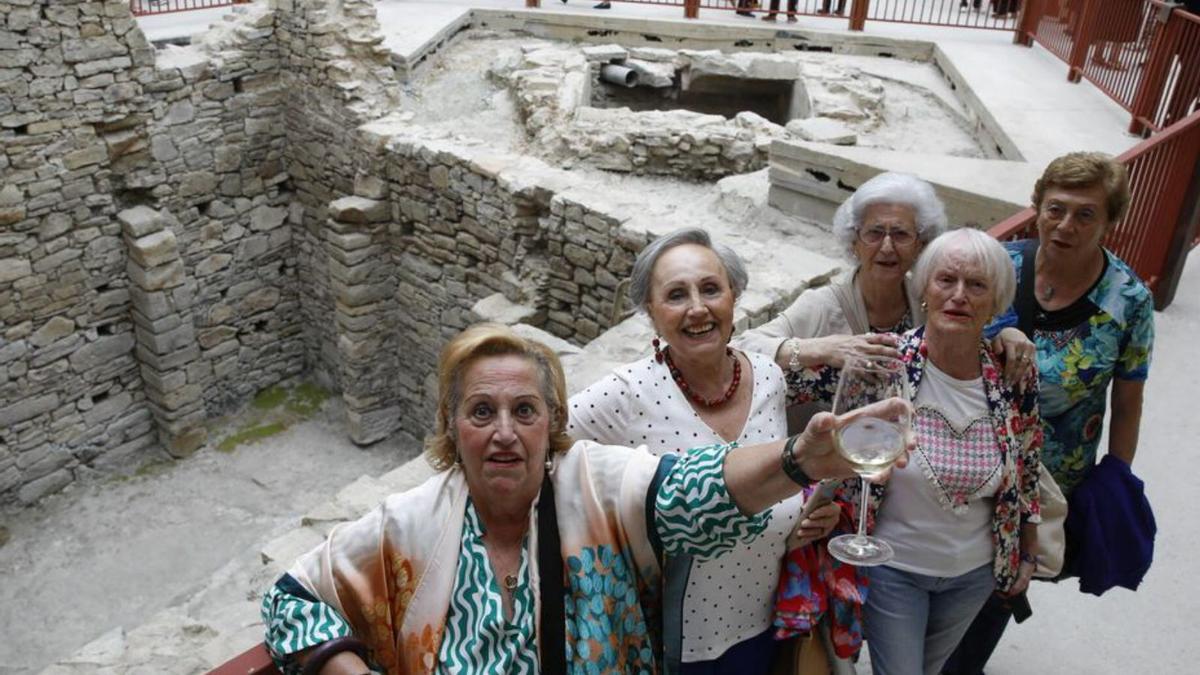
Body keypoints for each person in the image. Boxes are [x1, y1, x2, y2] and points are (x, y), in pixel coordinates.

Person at [259, 323, 905, 674]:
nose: (505, 431)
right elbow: (293, 598)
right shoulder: (408, 524)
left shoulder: (599, 487)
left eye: (525, 409)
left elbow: (696, 488)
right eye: (481, 411)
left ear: (554, 421)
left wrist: (798, 460)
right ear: (452, 426)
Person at [568, 228, 840, 673]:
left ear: (734, 297)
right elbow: (545, 448)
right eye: (676, 295)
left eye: (711, 289)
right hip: (669, 645)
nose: (697, 308)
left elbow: (760, 487)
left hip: (766, 625)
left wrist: (804, 515)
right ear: (652, 313)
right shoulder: (625, 394)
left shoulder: (769, 377)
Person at [787, 228, 1043, 675]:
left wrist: (1029, 547)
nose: (959, 295)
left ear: (997, 301)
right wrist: (801, 348)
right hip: (893, 565)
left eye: (977, 285)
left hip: (974, 572)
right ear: (924, 288)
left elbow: (1027, 461)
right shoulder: (882, 363)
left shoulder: (1010, 373)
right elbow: (778, 382)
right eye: (946, 280)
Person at [942, 152, 1154, 674]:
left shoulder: (1129, 301)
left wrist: (1116, 476)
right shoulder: (997, 267)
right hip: (961, 462)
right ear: (1036, 206)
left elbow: (1128, 398)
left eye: (1086, 214)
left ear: (1110, 223)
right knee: (943, 579)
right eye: (1055, 208)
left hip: (1046, 483)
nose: (1066, 225)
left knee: (996, 595)